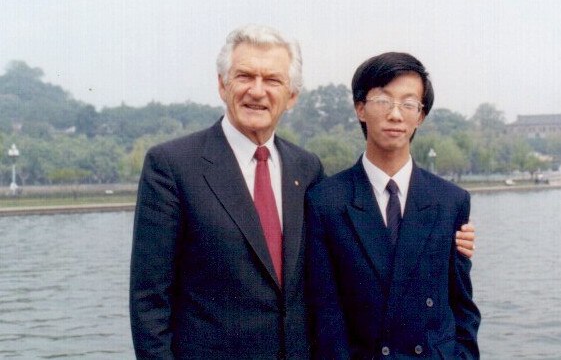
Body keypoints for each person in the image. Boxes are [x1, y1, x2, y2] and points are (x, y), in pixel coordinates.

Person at [130, 25, 476, 359]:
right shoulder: (173, 166)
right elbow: (149, 303)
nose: (257, 90)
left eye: (273, 80)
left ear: (291, 96)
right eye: (245, 76)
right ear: (222, 85)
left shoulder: (306, 170)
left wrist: (444, 238)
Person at [305, 52, 480, 359]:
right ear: (361, 108)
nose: (396, 114)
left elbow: (462, 307)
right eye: (383, 101)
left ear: (420, 116)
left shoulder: (450, 201)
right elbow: (326, 315)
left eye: (409, 103)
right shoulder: (326, 202)